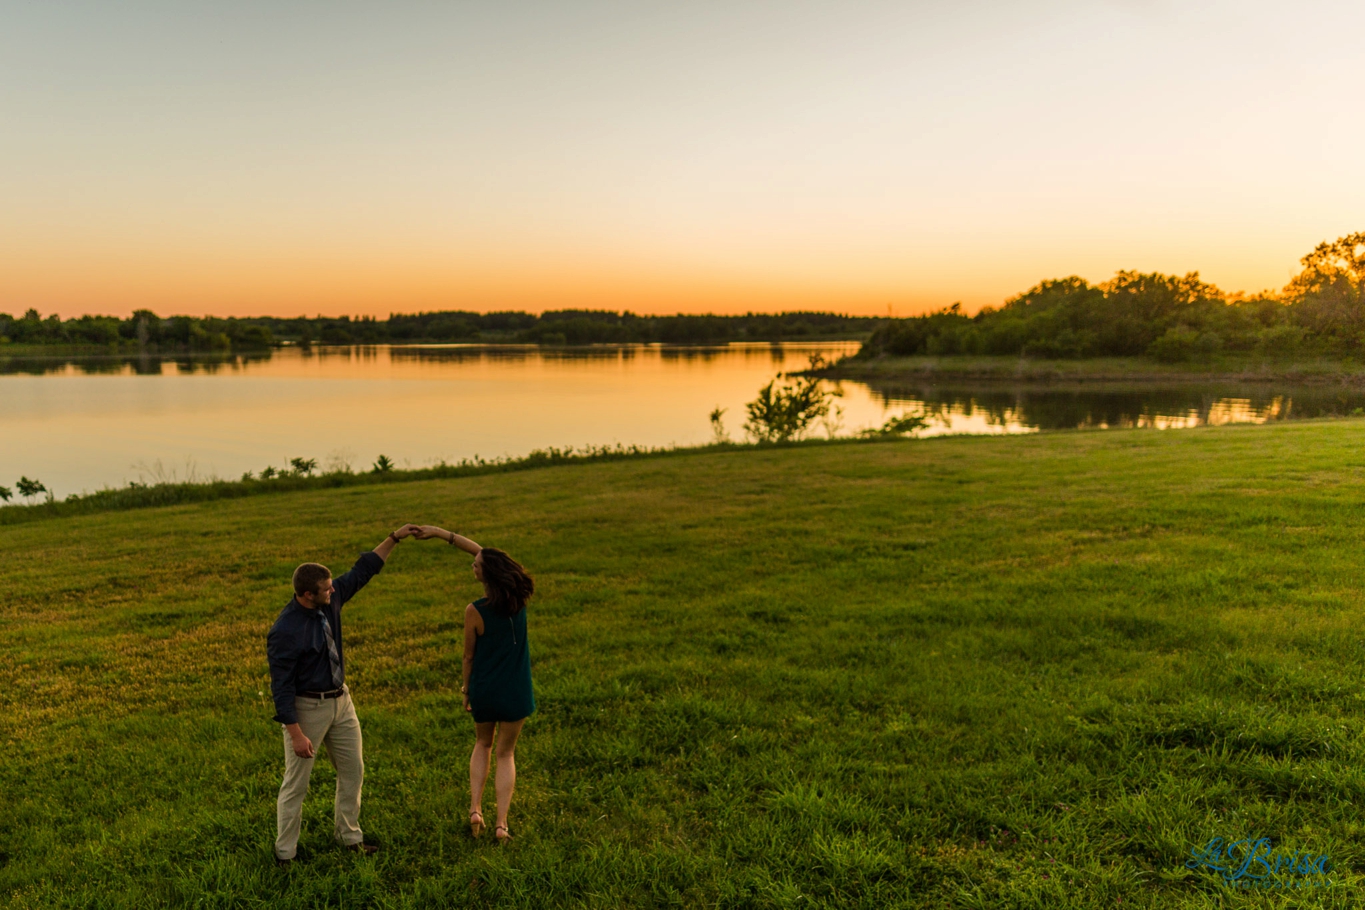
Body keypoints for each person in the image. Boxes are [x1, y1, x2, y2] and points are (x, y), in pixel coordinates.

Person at [266, 524, 419, 866]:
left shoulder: (330, 599)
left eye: (332, 585)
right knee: (296, 784)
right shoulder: (285, 631)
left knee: (353, 770)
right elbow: (281, 687)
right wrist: (295, 733)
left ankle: (348, 837)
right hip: (307, 709)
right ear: (307, 595)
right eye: (326, 589)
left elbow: (364, 570)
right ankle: (285, 854)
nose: (333, 591)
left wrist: (395, 537)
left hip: (342, 701)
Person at [414, 524, 535, 845]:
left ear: (486, 575)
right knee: (506, 754)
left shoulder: (474, 611)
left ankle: (475, 809)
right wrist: (441, 534)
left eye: (476, 566)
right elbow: (484, 554)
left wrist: (467, 689)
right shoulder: (520, 597)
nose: (473, 564)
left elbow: (468, 657)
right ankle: (501, 824)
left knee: (483, 744)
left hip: (485, 689)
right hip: (517, 690)